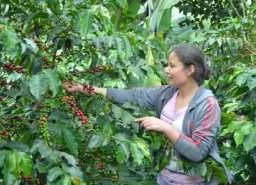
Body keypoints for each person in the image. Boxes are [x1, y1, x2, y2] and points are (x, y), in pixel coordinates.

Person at [63, 43, 233, 185]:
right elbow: (131, 96)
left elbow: (198, 152)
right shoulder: (168, 93)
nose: (166, 70)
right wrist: (83, 88)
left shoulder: (207, 104)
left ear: (190, 70)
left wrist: (166, 128)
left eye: (172, 66)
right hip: (165, 179)